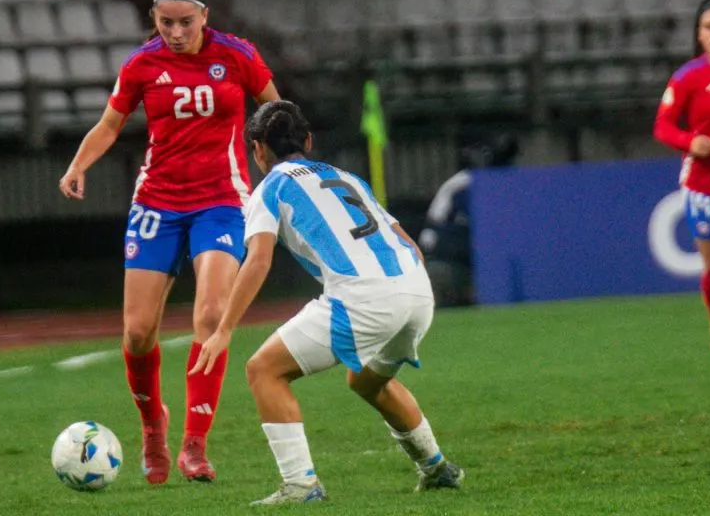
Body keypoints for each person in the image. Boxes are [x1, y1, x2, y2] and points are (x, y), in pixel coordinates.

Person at [57, 0, 280, 485]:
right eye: (166, 23)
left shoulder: (238, 55)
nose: (176, 33)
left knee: (210, 316)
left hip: (222, 201)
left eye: (186, 22)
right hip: (157, 203)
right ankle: (153, 427)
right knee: (137, 334)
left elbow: (277, 112)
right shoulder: (142, 65)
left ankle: (194, 446)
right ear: (154, 19)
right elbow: (111, 123)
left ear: (204, 15)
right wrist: (77, 164)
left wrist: (284, 167)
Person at [189, 100, 463, 505]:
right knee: (367, 380)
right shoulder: (346, 178)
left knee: (263, 369)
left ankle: (301, 485)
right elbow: (408, 244)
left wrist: (224, 329)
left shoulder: (270, 188)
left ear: (257, 149)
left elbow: (258, 260)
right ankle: (436, 468)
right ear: (309, 140)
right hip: (417, 292)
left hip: (364, 298)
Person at [654, 0, 710, 361]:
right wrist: (690, 142)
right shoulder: (689, 78)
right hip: (702, 185)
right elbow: (663, 127)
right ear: (699, 36)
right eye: (709, 27)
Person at [418, 135, 519, 306]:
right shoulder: (461, 183)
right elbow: (433, 225)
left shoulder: (508, 184)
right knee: (440, 274)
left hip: (490, 256)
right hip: (454, 254)